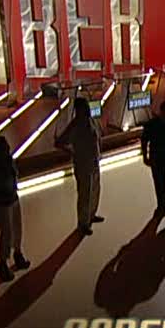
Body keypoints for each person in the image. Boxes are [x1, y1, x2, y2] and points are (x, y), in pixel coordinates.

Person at [0, 136, 30, 282]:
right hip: (1, 204)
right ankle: (3, 262)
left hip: (13, 198)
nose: (8, 148)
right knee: (7, 233)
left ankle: (17, 253)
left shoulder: (8, 161)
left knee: (17, 228)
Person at [55, 97, 104, 236]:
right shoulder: (75, 125)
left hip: (94, 162)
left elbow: (98, 138)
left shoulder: (92, 121)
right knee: (84, 194)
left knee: (94, 190)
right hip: (83, 164)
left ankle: (91, 215)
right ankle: (83, 223)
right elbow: (59, 142)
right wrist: (72, 152)